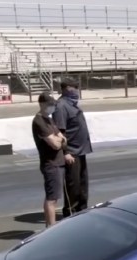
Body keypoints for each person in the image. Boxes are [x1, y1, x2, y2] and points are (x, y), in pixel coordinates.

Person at [53, 78, 93, 217]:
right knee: (73, 186)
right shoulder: (61, 106)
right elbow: (60, 131)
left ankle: (82, 211)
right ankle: (70, 213)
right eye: (74, 87)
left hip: (81, 150)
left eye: (77, 87)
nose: (76, 90)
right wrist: (66, 152)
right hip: (72, 152)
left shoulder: (73, 104)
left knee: (83, 184)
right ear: (65, 89)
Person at [31, 92, 67, 227]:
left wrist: (60, 139)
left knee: (55, 197)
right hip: (51, 164)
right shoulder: (39, 121)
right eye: (49, 104)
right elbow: (56, 143)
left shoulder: (49, 119)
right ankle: (50, 227)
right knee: (51, 198)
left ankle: (50, 225)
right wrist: (60, 140)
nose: (52, 107)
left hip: (58, 162)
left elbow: (63, 139)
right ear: (42, 104)